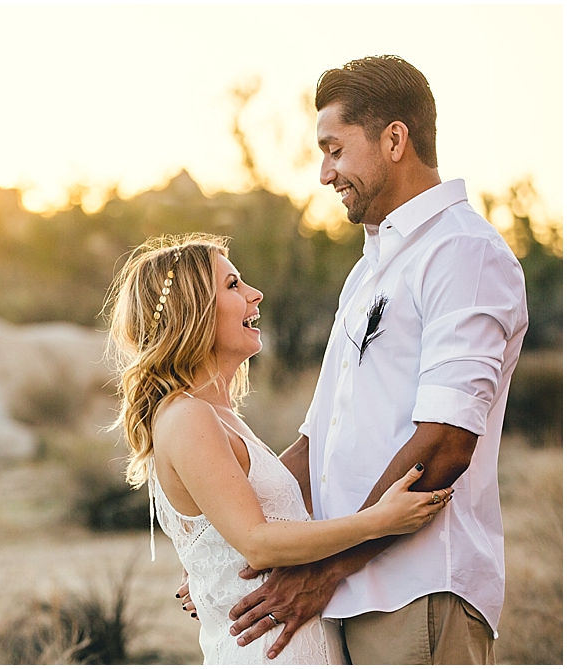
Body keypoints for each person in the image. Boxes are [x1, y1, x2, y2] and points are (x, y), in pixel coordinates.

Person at [180, 56, 528, 664]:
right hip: (345, 597)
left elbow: (447, 442)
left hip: (418, 591)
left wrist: (323, 571)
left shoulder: (464, 255)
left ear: (395, 139)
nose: (323, 173)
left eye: (335, 149)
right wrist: (227, 550)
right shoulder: (369, 269)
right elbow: (318, 446)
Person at [105, 233, 454, 664]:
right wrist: (376, 522)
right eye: (233, 286)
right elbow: (258, 543)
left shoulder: (218, 416)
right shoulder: (187, 416)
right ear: (191, 312)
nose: (256, 294)